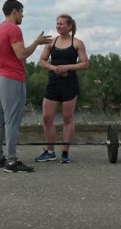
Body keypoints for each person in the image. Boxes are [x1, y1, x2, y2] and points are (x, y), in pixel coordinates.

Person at [0, 0, 52, 173]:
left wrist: (0, 67)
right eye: (22, 12)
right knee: (12, 122)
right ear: (14, 11)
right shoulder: (14, 29)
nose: (23, 15)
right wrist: (37, 42)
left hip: (0, 78)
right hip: (13, 79)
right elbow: (22, 54)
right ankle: (12, 161)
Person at [34, 13, 89, 163]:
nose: (58, 26)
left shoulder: (77, 43)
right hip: (53, 85)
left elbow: (85, 64)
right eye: (57, 23)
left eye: (62, 24)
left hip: (70, 85)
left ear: (70, 26)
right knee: (47, 117)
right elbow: (41, 62)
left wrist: (68, 67)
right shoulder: (51, 42)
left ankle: (65, 153)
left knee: (67, 118)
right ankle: (50, 152)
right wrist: (54, 68)